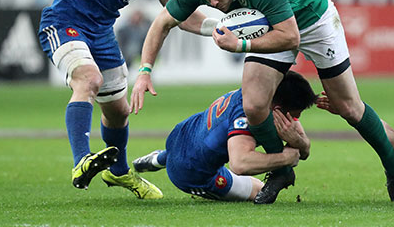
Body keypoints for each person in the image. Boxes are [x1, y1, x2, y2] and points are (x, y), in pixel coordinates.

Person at [131, 0, 394, 204]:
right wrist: (145, 71)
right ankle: (282, 171)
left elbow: (291, 37)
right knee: (253, 105)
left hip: (312, 21)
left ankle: (391, 162)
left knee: (348, 107)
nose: (214, 3)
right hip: (269, 25)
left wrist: (240, 46)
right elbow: (162, 23)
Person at [37, 0, 223, 199]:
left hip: (100, 31)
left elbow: (179, 14)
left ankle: (119, 172)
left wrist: (221, 28)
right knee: (89, 80)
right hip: (65, 20)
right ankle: (81, 160)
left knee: (119, 111)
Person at [132, 70, 315, 201]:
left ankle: (159, 158)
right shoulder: (246, 117)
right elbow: (240, 164)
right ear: (279, 108)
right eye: (295, 115)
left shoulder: (258, 94)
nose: (295, 120)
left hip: (182, 134)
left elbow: (303, 149)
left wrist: (298, 142)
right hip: (191, 173)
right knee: (258, 188)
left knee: (204, 147)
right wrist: (285, 158)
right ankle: (164, 159)